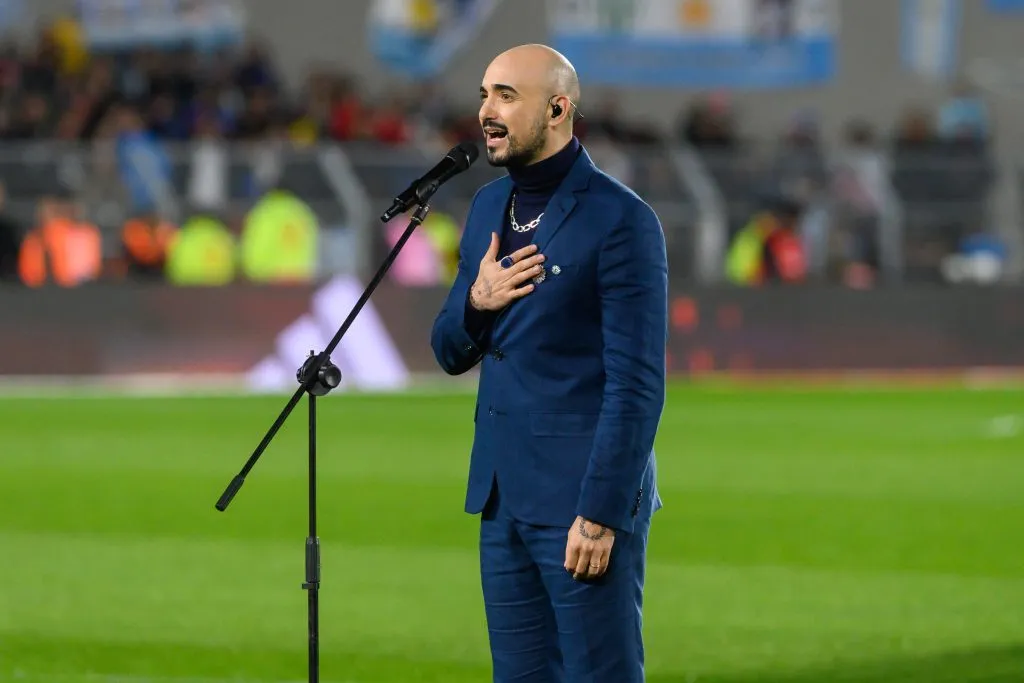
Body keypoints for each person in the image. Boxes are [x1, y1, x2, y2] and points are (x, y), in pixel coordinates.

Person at [430, 44, 668, 682]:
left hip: (579, 504)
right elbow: (449, 349)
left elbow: (637, 386)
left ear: (559, 109)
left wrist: (600, 513)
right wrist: (478, 302)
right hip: (501, 499)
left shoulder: (621, 220)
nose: (486, 110)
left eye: (506, 96)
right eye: (484, 94)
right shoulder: (486, 207)